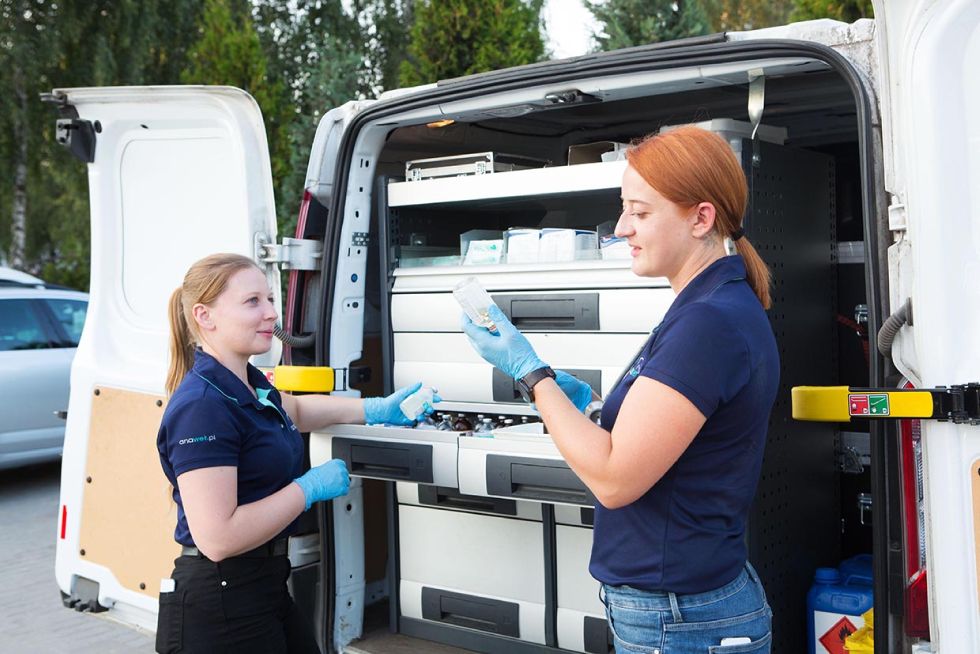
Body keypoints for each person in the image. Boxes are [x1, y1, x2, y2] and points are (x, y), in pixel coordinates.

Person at [462, 125, 779, 652]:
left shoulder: (708, 324)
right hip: (682, 607)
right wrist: (581, 401)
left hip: (678, 616)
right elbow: (670, 437)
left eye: (641, 211)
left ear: (701, 218)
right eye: (624, 208)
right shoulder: (710, 306)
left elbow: (614, 479)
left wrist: (531, 373)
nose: (620, 228)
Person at [155, 253, 436, 654]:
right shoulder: (203, 406)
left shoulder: (247, 382)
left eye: (271, 299)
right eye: (253, 302)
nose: (271, 313)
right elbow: (218, 537)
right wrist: (307, 489)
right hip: (220, 605)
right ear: (205, 315)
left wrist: (377, 409)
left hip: (261, 586)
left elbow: (300, 411)